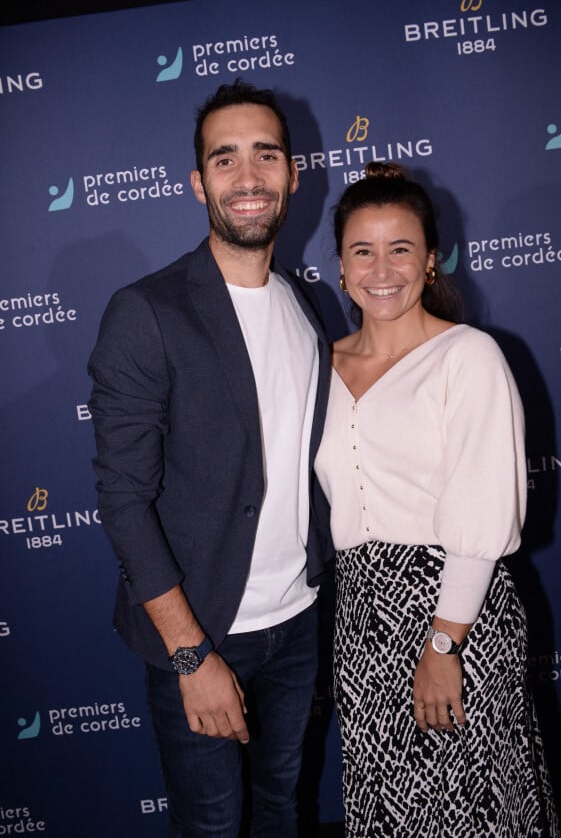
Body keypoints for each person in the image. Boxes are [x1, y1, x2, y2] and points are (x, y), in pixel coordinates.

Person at [87, 79, 331, 837]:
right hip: (202, 630)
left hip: (298, 619)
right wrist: (192, 654)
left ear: (293, 173)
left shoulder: (306, 304)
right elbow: (123, 498)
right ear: (199, 184)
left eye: (266, 155)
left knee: (281, 807)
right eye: (225, 160)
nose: (248, 177)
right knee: (213, 826)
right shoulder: (149, 310)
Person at [314, 162, 560, 836]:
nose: (381, 267)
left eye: (401, 249)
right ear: (340, 266)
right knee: (389, 803)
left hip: (456, 611)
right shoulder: (321, 368)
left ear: (430, 261)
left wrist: (444, 645)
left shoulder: (468, 356)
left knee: (473, 804)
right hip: (362, 620)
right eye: (363, 250)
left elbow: (482, 510)